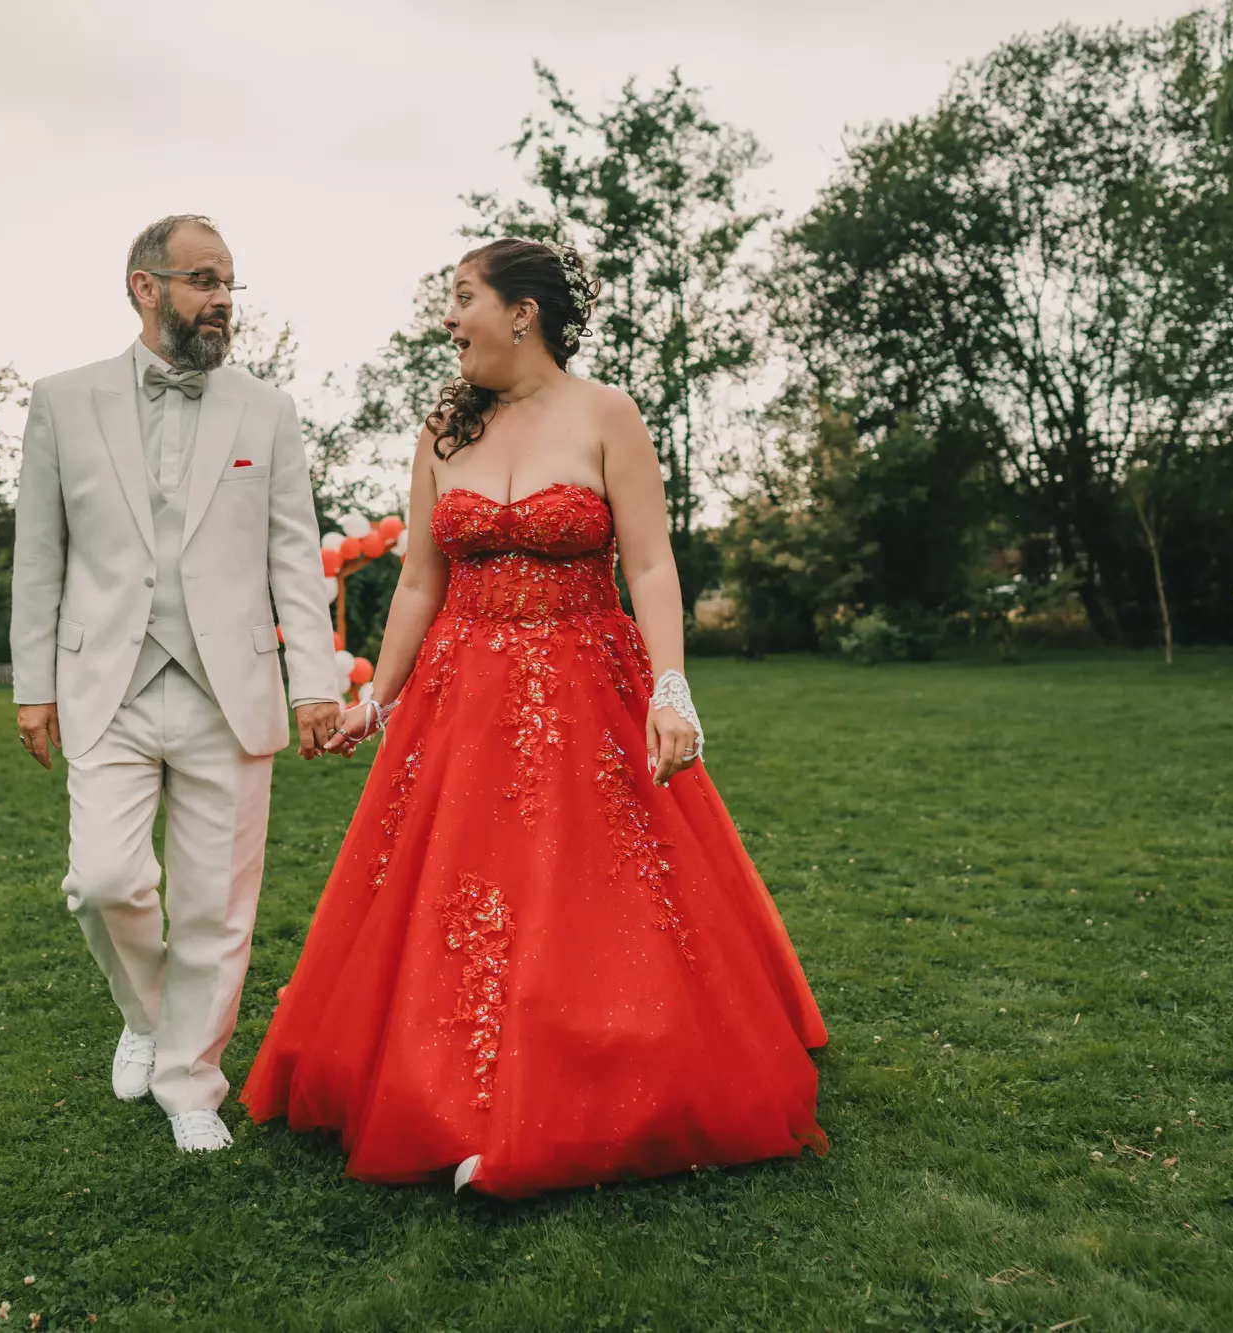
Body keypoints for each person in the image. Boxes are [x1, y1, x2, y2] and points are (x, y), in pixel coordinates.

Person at [240, 238, 828, 1197]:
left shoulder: (607, 414)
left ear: (524, 313)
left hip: (587, 691)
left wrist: (672, 689)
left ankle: (582, 1087)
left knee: (591, 893)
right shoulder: (443, 430)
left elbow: (649, 565)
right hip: (459, 698)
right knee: (451, 897)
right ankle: (447, 1097)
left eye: (463, 298)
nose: (448, 319)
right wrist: (376, 700)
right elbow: (422, 581)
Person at [11, 214, 346, 1153]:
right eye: (203, 280)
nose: (223, 299)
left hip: (227, 686)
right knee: (106, 882)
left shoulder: (266, 410)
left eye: (230, 282)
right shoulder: (62, 401)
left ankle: (192, 1082)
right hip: (103, 684)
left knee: (214, 903)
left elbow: (293, 556)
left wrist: (313, 683)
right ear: (144, 287)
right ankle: (151, 1014)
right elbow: (40, 555)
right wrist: (31, 684)